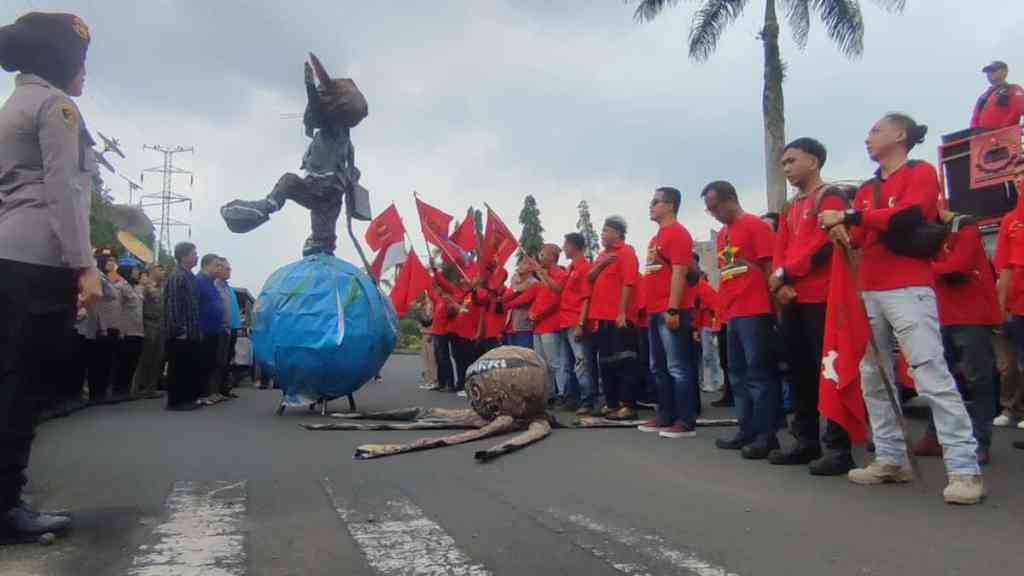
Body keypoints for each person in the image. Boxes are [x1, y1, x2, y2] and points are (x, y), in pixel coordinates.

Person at [819, 113, 985, 504]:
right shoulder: (866, 189)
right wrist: (841, 229)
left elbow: (910, 215)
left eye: (875, 130)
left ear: (899, 135)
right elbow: (859, 235)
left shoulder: (921, 172)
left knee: (930, 373)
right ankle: (891, 457)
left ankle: (964, 468)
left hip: (908, 287)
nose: (868, 137)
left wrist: (851, 217)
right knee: (872, 376)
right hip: (869, 290)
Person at [0, 10, 98, 541]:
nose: (84, 73)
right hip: (41, 259)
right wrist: (84, 265)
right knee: (23, 386)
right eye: (80, 61)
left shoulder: (13, 103)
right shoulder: (56, 107)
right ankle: (6, 507)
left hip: (9, 254)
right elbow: (64, 193)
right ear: (60, 61)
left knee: (8, 378)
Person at [768, 138, 855, 475]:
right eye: (783, 163)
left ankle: (839, 447)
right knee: (798, 371)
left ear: (814, 161)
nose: (786, 168)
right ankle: (805, 441)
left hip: (824, 299)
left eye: (792, 160)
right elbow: (781, 247)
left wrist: (786, 273)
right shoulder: (790, 208)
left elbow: (823, 247)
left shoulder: (829, 197)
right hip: (793, 299)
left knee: (829, 372)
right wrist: (780, 282)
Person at [912, 208, 1000, 465]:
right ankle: (935, 434)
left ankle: (979, 440)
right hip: (941, 314)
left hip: (970, 315)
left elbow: (957, 267)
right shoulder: (929, 233)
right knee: (939, 379)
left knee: (976, 380)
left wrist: (923, 268)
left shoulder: (965, 226)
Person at [703, 180, 781, 459]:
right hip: (732, 313)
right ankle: (745, 430)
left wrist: (776, 311)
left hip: (755, 310)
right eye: (708, 209)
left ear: (729, 200)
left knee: (759, 374)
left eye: (714, 207)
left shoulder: (755, 226)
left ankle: (766, 435)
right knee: (736, 375)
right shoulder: (723, 234)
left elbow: (771, 267)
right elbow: (726, 276)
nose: (712, 213)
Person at [638, 188, 700, 438]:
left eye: (656, 202)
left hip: (670, 309)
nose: (651, 206)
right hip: (654, 311)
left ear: (671, 205)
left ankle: (685, 421)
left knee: (677, 367)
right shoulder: (655, 239)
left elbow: (679, 272)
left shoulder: (678, 233)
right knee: (658, 367)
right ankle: (666, 415)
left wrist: (673, 308)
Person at [586, 217, 641, 420]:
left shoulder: (627, 252)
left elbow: (629, 283)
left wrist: (622, 312)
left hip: (619, 316)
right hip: (601, 317)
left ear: (618, 233)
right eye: (602, 231)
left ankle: (628, 405)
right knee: (606, 362)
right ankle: (611, 403)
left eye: (607, 230)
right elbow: (589, 278)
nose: (603, 234)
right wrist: (602, 265)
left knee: (625, 360)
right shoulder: (602, 256)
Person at [507, 245, 567, 404]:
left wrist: (538, 314)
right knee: (541, 363)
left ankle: (562, 393)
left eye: (543, 254)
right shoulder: (541, 282)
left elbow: (557, 298)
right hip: (538, 327)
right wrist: (504, 303)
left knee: (554, 362)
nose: (540, 257)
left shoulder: (559, 275)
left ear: (552, 257)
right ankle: (548, 393)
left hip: (551, 326)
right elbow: (524, 297)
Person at [994, 169, 1024, 449]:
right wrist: (1000, 304)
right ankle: (1010, 409)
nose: (1018, 180)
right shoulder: (1010, 221)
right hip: (1015, 304)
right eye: (1015, 176)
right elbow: (1003, 265)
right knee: (1009, 364)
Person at [559, 233, 596, 414]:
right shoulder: (570, 268)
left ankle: (588, 400)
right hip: (566, 322)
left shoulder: (584, 267)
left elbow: (586, 298)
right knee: (568, 364)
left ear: (574, 246)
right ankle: (571, 398)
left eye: (566, 245)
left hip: (576, 322)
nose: (564, 248)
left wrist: (581, 323)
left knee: (581, 363)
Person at [163, 242, 202, 411]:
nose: (196, 256)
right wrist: (177, 328)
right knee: (178, 366)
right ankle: (176, 401)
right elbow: (173, 304)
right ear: (184, 256)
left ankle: (187, 398)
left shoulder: (190, 276)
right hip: (180, 331)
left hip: (192, 330)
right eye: (194, 253)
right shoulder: (177, 276)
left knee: (188, 365)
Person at [89, 247, 122, 402]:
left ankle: (102, 392)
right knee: (99, 361)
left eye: (114, 260)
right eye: (109, 260)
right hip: (101, 324)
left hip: (111, 324)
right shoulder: (97, 275)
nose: (113, 263)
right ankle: (96, 394)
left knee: (107, 361)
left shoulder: (107, 277)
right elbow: (110, 294)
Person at [196, 254, 228, 405]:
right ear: (207, 265)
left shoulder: (211, 283)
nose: (219, 268)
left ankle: (209, 392)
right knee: (203, 363)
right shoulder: (200, 281)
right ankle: (202, 394)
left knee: (211, 362)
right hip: (204, 329)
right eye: (216, 265)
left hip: (215, 330)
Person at [112, 257, 145, 400]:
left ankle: (126, 391)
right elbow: (116, 309)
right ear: (127, 270)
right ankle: (118, 391)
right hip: (125, 332)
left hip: (138, 331)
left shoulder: (136, 288)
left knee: (132, 362)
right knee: (122, 363)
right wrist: (118, 330)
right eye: (135, 269)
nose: (137, 272)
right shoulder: (120, 286)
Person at [134, 264, 166, 398]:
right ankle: (137, 388)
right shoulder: (145, 287)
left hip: (160, 323)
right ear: (152, 272)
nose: (163, 272)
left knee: (157, 357)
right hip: (148, 322)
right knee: (145, 356)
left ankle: (151, 388)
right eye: (160, 269)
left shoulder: (163, 287)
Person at [970, 61, 1024, 131]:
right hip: (982, 137)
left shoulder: (1013, 90)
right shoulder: (983, 96)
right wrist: (974, 134)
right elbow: (974, 119)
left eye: (993, 70)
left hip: (1004, 137)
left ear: (1004, 72)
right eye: (988, 72)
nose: (989, 74)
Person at [504, 261, 537, 348]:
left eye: (524, 263)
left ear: (531, 268)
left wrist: (515, 286)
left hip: (524, 326)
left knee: (524, 357)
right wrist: (516, 286)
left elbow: (523, 301)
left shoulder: (533, 283)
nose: (520, 265)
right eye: (521, 263)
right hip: (510, 327)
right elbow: (505, 298)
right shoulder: (515, 283)